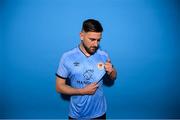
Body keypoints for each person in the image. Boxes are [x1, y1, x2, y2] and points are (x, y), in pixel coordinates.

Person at [56, 19, 117, 119]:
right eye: (92, 39)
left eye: (98, 40)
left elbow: (113, 77)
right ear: (81, 36)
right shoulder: (67, 57)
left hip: (99, 113)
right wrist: (82, 91)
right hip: (77, 114)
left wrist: (112, 71)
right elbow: (59, 87)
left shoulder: (103, 55)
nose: (96, 44)